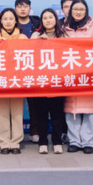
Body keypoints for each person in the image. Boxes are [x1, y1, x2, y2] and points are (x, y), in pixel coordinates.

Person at [63, 0, 93, 154]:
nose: (78, 12)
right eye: (75, 9)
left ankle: (88, 142)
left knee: (89, 111)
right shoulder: (64, 28)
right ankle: (74, 141)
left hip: (88, 74)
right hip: (70, 74)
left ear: (86, 11)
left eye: (81, 9)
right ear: (70, 11)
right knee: (71, 110)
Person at [0, 8, 28, 154]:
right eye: (5, 19)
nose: (8, 22)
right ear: (0, 21)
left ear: (15, 21)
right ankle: (4, 142)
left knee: (18, 112)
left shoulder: (23, 38)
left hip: (18, 80)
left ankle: (16, 142)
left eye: (11, 19)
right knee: (2, 112)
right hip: (1, 80)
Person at [30, 8, 66, 154]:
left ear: (55, 19)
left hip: (58, 81)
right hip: (41, 81)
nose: (48, 20)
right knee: (41, 115)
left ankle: (57, 142)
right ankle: (43, 142)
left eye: (50, 17)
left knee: (57, 115)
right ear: (41, 21)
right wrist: (39, 42)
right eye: (45, 18)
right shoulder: (36, 35)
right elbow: (29, 54)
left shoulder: (63, 35)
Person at [15, 0, 42, 144]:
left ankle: (34, 131)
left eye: (25, 6)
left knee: (34, 103)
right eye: (20, 6)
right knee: (15, 103)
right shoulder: (10, 22)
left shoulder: (38, 23)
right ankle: (15, 134)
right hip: (15, 68)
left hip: (34, 68)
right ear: (15, 9)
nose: (22, 9)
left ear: (30, 9)